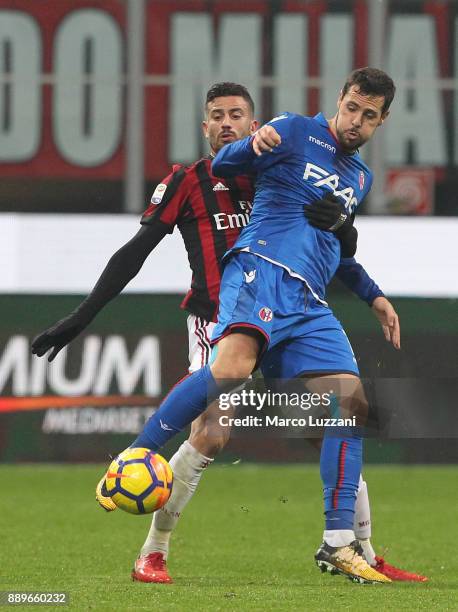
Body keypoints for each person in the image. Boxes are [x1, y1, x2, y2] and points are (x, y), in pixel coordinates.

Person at [31, 79, 426, 584]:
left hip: (298, 307)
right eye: (216, 115)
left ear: (252, 122)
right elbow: (134, 253)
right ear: (205, 125)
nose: (226, 123)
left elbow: (332, 241)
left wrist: (365, 274)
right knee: (214, 431)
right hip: (225, 308)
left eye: (236, 115)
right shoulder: (202, 175)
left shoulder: (297, 165)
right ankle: (153, 546)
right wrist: (82, 315)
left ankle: (356, 548)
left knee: (338, 418)